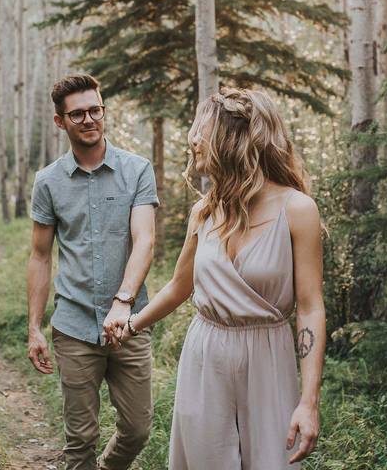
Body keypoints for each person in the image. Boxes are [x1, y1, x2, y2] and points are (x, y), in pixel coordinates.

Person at [108, 87, 326, 469]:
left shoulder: (298, 210)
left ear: (234, 141)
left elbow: (310, 308)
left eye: (202, 132)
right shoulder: (204, 212)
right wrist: (132, 324)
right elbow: (180, 286)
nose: (193, 142)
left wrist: (309, 402)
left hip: (267, 357)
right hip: (205, 354)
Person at [26, 73, 159, 470]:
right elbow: (39, 256)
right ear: (60, 121)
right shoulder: (48, 181)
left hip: (129, 323)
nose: (88, 120)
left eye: (95, 110)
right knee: (80, 437)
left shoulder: (137, 170)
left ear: (104, 111)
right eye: (78, 114)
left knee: (138, 428)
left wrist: (124, 303)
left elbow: (145, 241)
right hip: (74, 325)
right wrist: (34, 327)